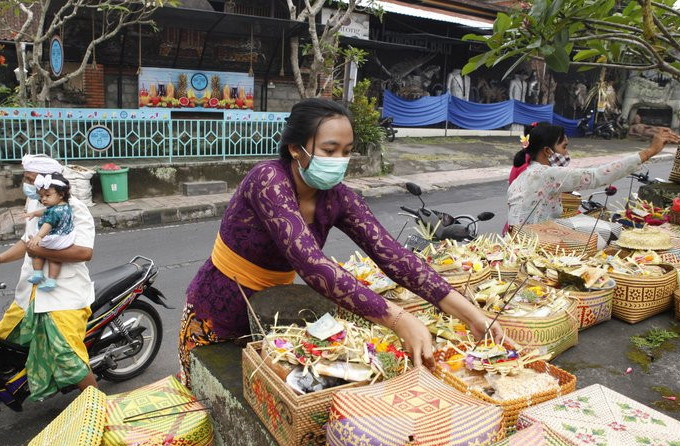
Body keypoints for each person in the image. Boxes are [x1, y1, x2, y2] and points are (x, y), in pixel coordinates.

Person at [179, 98, 503, 386]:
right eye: (329, 150)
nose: (339, 160)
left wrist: (471, 314)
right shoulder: (268, 181)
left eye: (346, 152)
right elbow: (313, 265)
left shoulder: (338, 199)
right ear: (296, 148)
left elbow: (394, 256)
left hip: (276, 314)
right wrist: (399, 319)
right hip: (218, 308)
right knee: (212, 396)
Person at [0, 154, 96, 403]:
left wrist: (39, 251)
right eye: (28, 179)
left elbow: (85, 252)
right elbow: (26, 242)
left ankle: (98, 406)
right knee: (6, 337)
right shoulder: (37, 204)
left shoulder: (75, 209)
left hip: (63, 294)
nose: (29, 185)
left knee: (68, 355)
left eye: (33, 180)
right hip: (29, 293)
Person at [507, 123, 680, 227]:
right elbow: (598, 176)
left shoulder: (524, 176)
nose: (567, 153)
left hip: (521, 243)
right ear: (547, 151)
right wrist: (650, 151)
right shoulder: (547, 174)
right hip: (533, 247)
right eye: (564, 147)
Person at [25, 173, 75, 291]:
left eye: (47, 195)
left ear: (61, 194)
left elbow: (48, 224)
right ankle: (51, 280)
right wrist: (34, 213)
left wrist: (39, 236)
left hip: (53, 237)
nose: (44, 199)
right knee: (55, 259)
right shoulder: (64, 206)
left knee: (37, 251)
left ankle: (38, 273)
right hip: (65, 237)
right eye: (42, 196)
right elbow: (45, 211)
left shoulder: (54, 211)